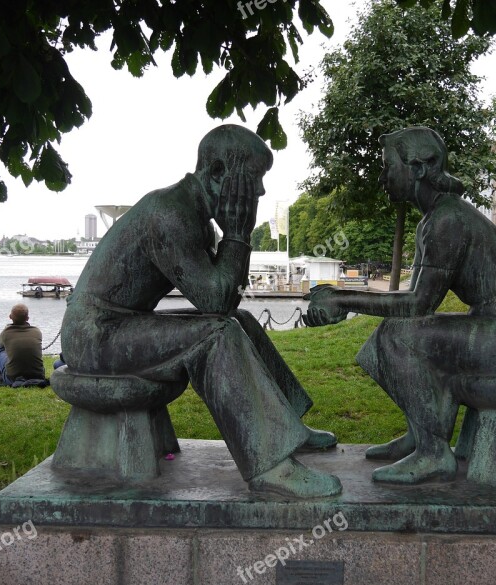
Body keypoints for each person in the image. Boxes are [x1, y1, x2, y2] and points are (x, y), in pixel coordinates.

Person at [60, 124, 340, 498]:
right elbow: (215, 302)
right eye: (254, 178)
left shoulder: (197, 220)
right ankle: (270, 465)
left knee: (235, 321)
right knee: (217, 334)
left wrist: (232, 235)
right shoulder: (169, 214)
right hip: (95, 338)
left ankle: (288, 425)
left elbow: (227, 301)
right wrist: (238, 235)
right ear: (220, 172)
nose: (259, 191)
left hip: (122, 325)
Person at [303, 127, 496, 484]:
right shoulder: (436, 217)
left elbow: (418, 304)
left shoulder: (446, 221)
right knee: (385, 341)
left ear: (419, 169)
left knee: (398, 336)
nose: (382, 176)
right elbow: (413, 302)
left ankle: (433, 452)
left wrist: (342, 298)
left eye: (388, 166)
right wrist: (342, 297)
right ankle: (420, 434)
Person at [0, 304, 46, 384]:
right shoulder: (37, 331)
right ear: (27, 318)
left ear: (10, 317)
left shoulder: (6, 333)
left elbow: (1, 344)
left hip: (13, 377)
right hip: (37, 375)